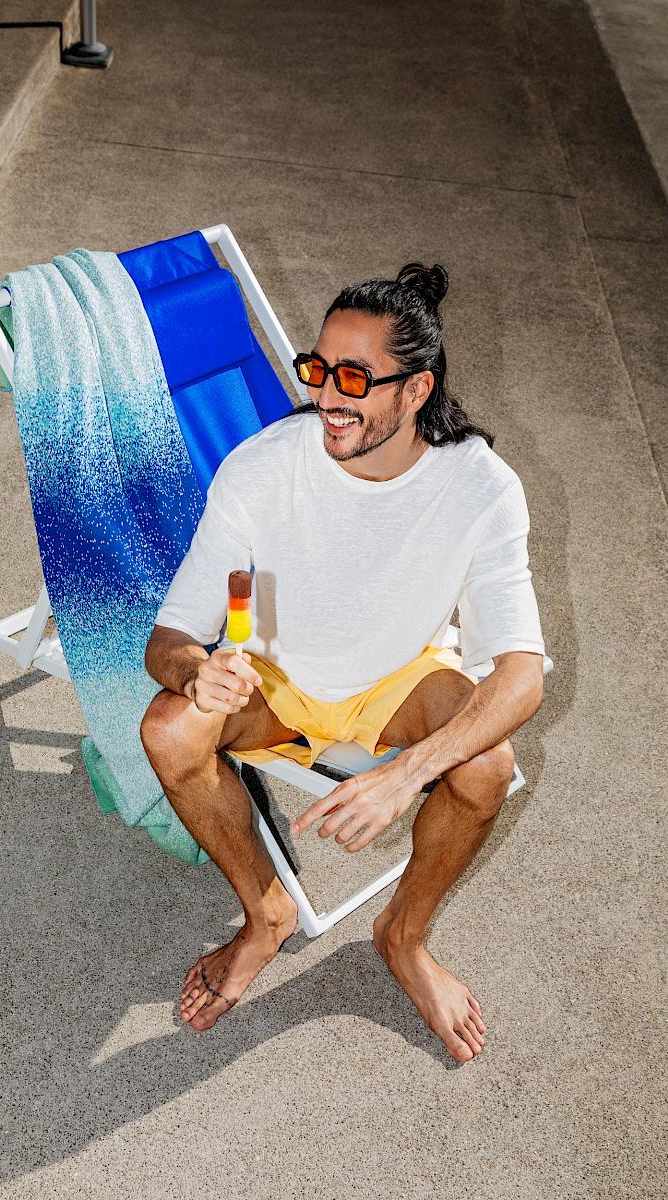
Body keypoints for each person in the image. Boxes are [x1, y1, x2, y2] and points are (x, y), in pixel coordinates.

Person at [140, 262, 546, 1063]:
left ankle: (403, 935)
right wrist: (194, 672)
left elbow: (521, 675)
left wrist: (402, 776)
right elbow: (170, 635)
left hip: (397, 680)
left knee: (484, 766)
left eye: (355, 377)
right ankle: (266, 916)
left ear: (415, 390)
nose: (328, 395)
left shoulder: (482, 488)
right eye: (319, 368)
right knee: (168, 730)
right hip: (274, 679)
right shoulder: (262, 465)